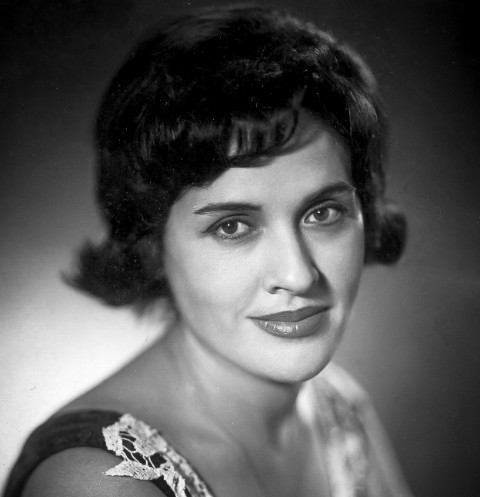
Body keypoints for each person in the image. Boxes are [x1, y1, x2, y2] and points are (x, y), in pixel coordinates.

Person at [4, 5, 412, 497]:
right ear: (152, 244)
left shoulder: (340, 407)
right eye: (233, 226)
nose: (298, 275)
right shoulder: (96, 483)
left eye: (322, 213)